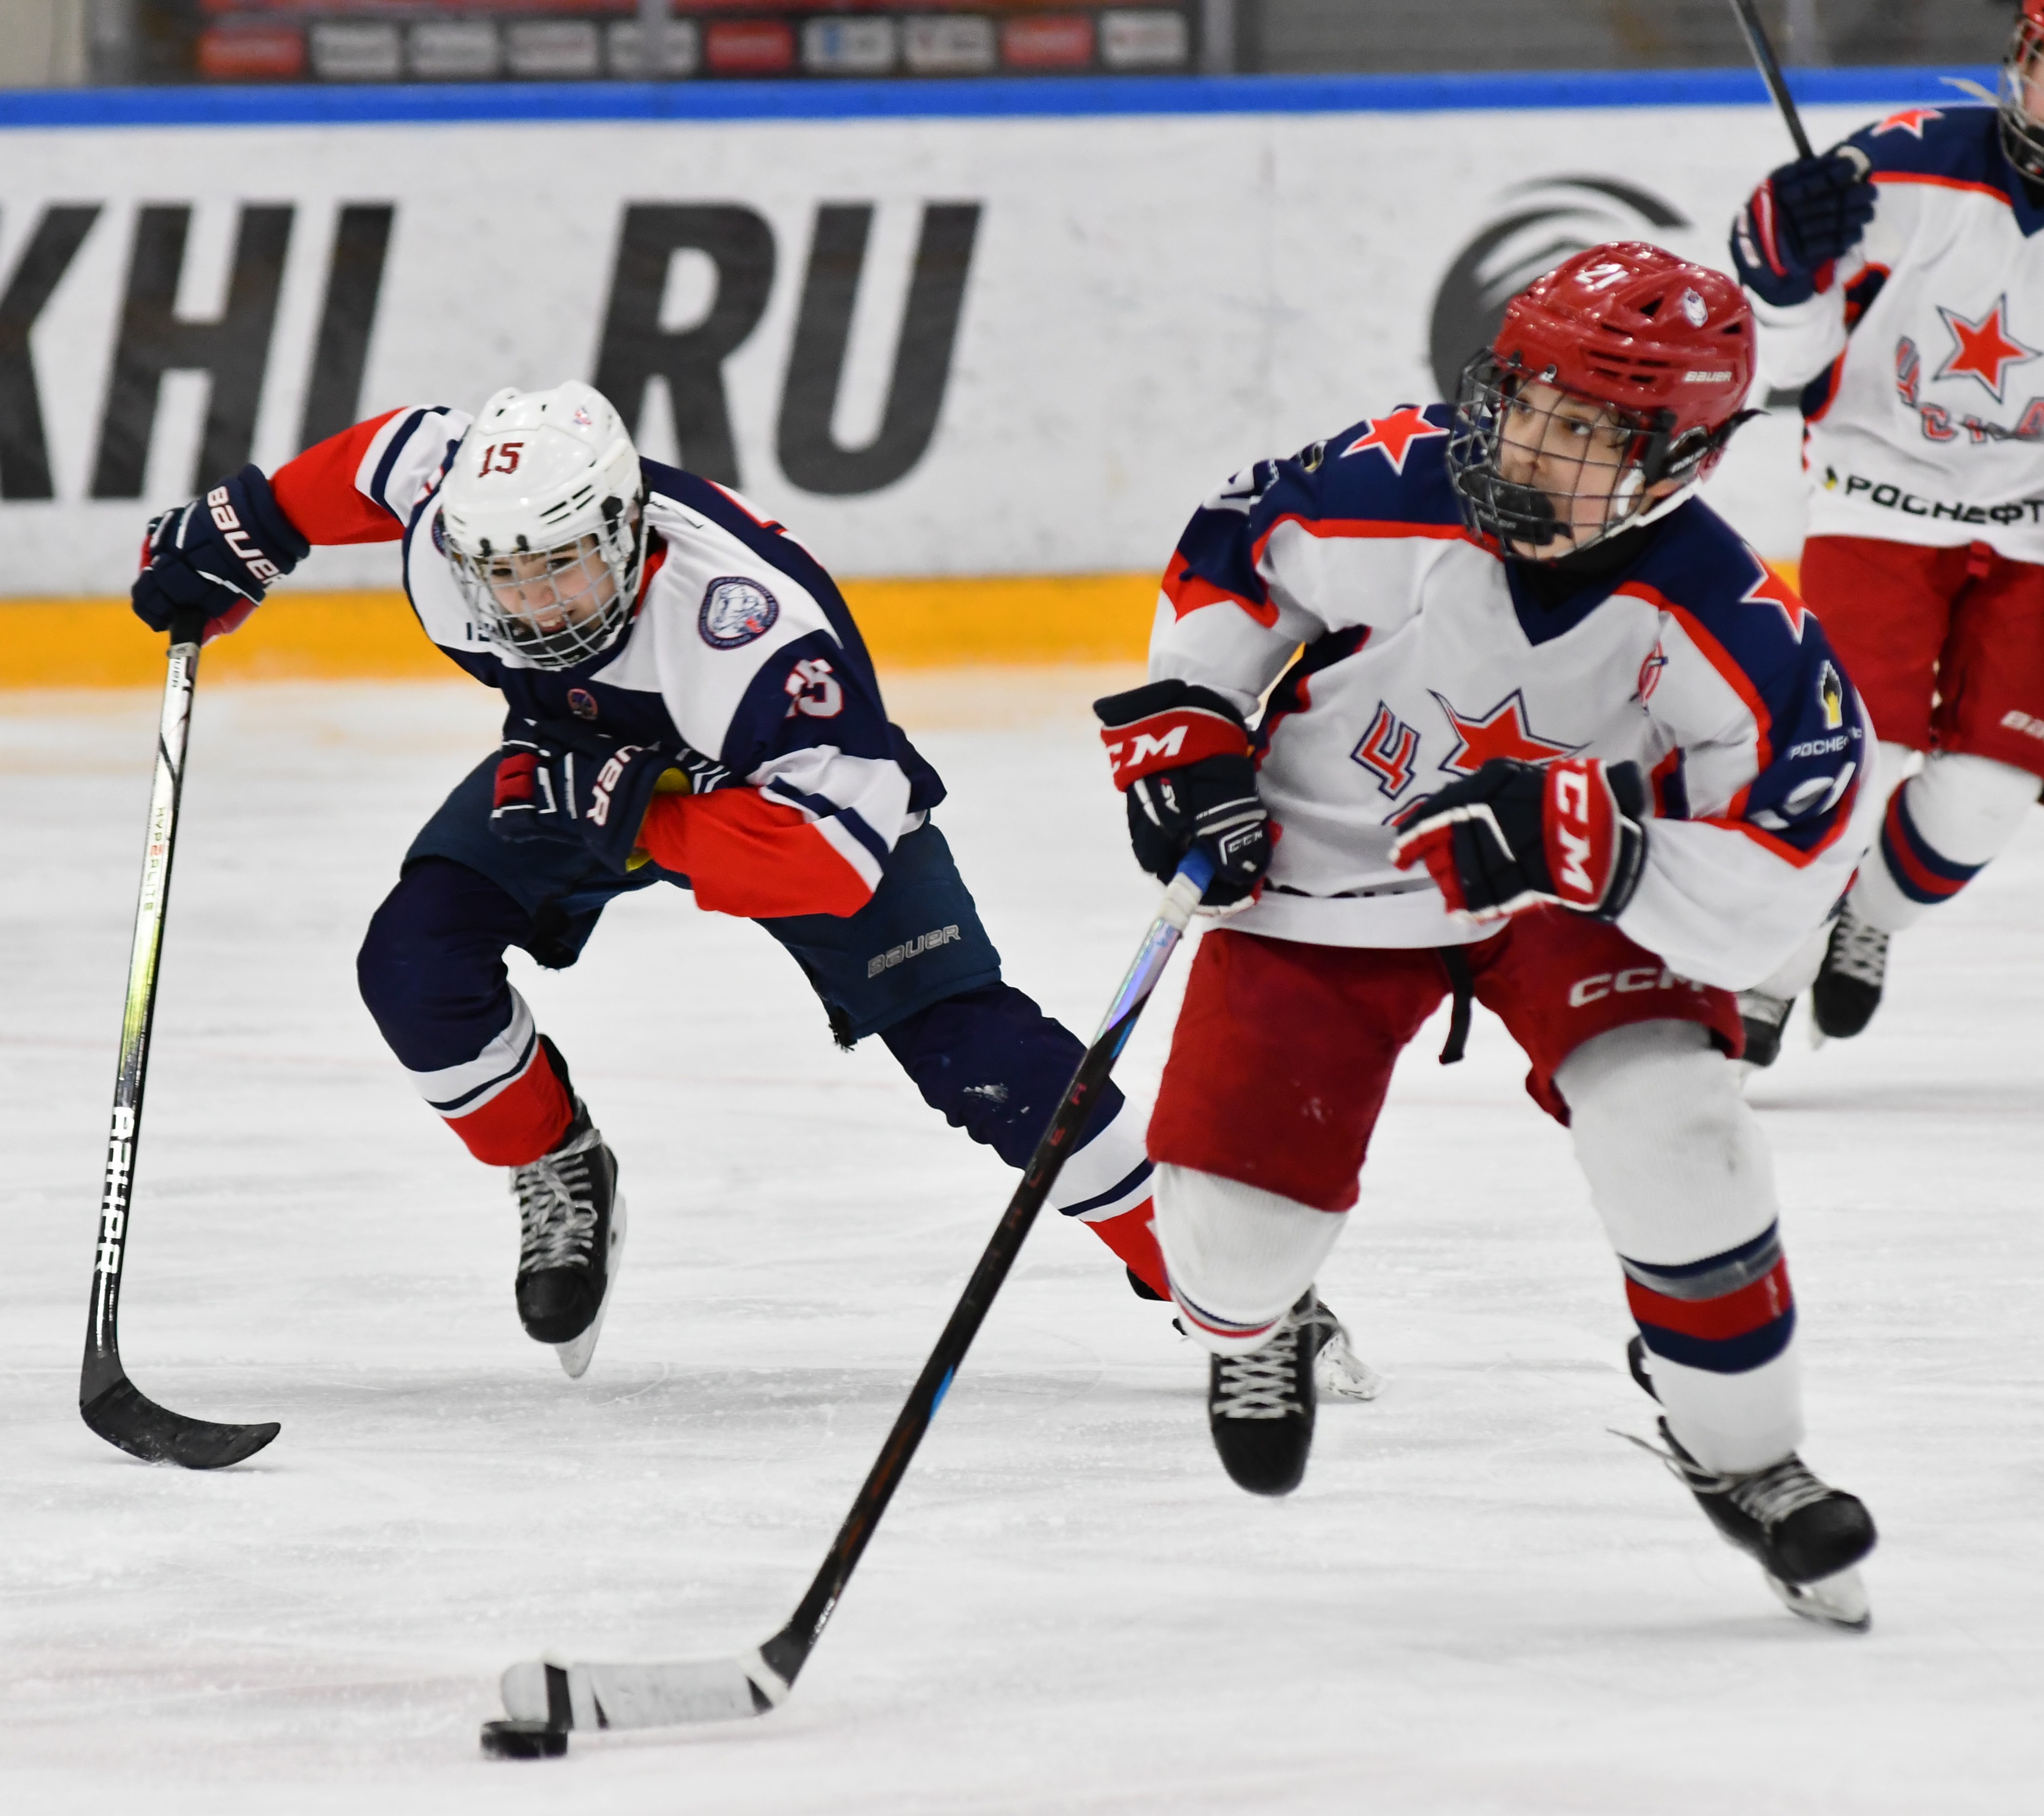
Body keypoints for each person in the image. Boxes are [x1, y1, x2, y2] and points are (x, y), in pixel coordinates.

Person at [127, 380, 1376, 1390]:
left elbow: (829, 860)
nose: (531, 603)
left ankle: (1229, 1289)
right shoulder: (467, 519)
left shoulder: (752, 629)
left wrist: (635, 820)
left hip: (781, 801)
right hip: (582, 761)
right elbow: (380, 457)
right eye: (506, 577)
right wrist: (242, 532)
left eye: (561, 569)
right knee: (412, 962)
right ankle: (558, 1161)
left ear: (628, 531)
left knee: (979, 1056)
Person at [1093, 242, 1880, 1628]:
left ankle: (1743, 1454)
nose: (1528, 444)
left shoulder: (1725, 615)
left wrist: (1615, 846)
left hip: (1565, 900)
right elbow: (1225, 563)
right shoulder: (1382, 481)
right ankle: (1256, 1325)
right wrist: (1196, 729)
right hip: (1325, 873)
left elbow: (1788, 855)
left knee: (1680, 1132)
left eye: (1583, 429)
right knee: (1221, 1254)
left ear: (1676, 456)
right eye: (1523, 399)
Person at [1729, 0, 2044, 1061]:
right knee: (1848, 759)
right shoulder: (1902, 163)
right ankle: (1770, 972)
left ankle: (1863, 921)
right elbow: (1786, 365)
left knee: (1983, 801)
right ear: (2022, 60)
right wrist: (1778, 273)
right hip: (1874, 499)